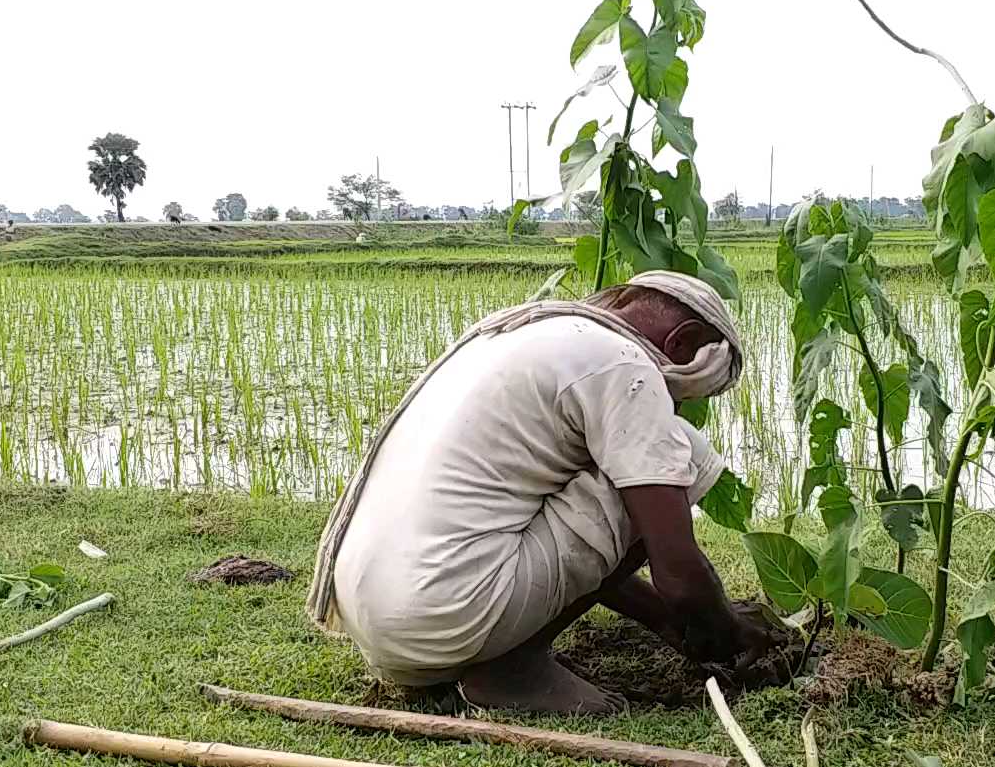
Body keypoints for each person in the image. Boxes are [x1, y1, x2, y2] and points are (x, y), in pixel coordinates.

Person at [307, 271, 790, 714]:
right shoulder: (624, 364)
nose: (672, 408)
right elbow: (677, 568)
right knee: (685, 452)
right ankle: (512, 667)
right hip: (448, 615)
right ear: (680, 341)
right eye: (679, 397)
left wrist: (663, 621)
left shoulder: (522, 334)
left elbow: (563, 541)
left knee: (637, 471)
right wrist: (727, 633)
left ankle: (506, 654)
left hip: (383, 627)